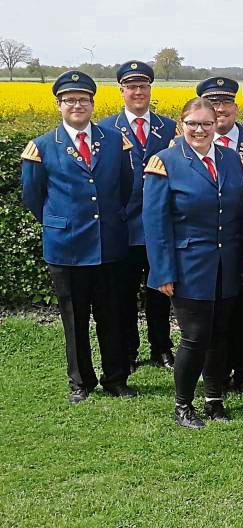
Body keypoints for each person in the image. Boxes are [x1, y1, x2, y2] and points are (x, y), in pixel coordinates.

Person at [21, 70, 136, 403]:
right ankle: (81, 383)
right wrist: (61, 223)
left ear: (92, 103)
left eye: (83, 100)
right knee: (74, 320)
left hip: (108, 244)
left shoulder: (114, 140)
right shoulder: (42, 146)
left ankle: (115, 379)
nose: (77, 105)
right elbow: (33, 196)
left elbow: (124, 186)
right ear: (59, 105)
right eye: (69, 100)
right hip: (66, 248)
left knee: (111, 316)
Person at [143, 97, 243, 428]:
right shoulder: (165, 162)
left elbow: (241, 212)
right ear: (181, 125)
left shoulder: (232, 160)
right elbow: (155, 224)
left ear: (217, 125)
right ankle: (183, 404)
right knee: (195, 336)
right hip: (188, 266)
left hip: (227, 264)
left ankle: (214, 400)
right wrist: (162, 271)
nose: (200, 130)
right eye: (193, 124)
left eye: (207, 123)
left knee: (220, 334)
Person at [196, 76, 243, 395]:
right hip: (211, 245)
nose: (221, 109)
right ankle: (216, 374)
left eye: (226, 102)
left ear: (236, 105)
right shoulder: (196, 144)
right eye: (213, 104)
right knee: (214, 315)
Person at [98, 60, 176, 370]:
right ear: (121, 91)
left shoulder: (169, 127)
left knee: (160, 291)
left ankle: (162, 348)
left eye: (143, 86)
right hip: (124, 227)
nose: (138, 92)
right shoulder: (105, 129)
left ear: (150, 89)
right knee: (124, 294)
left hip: (160, 227)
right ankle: (129, 350)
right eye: (131, 86)